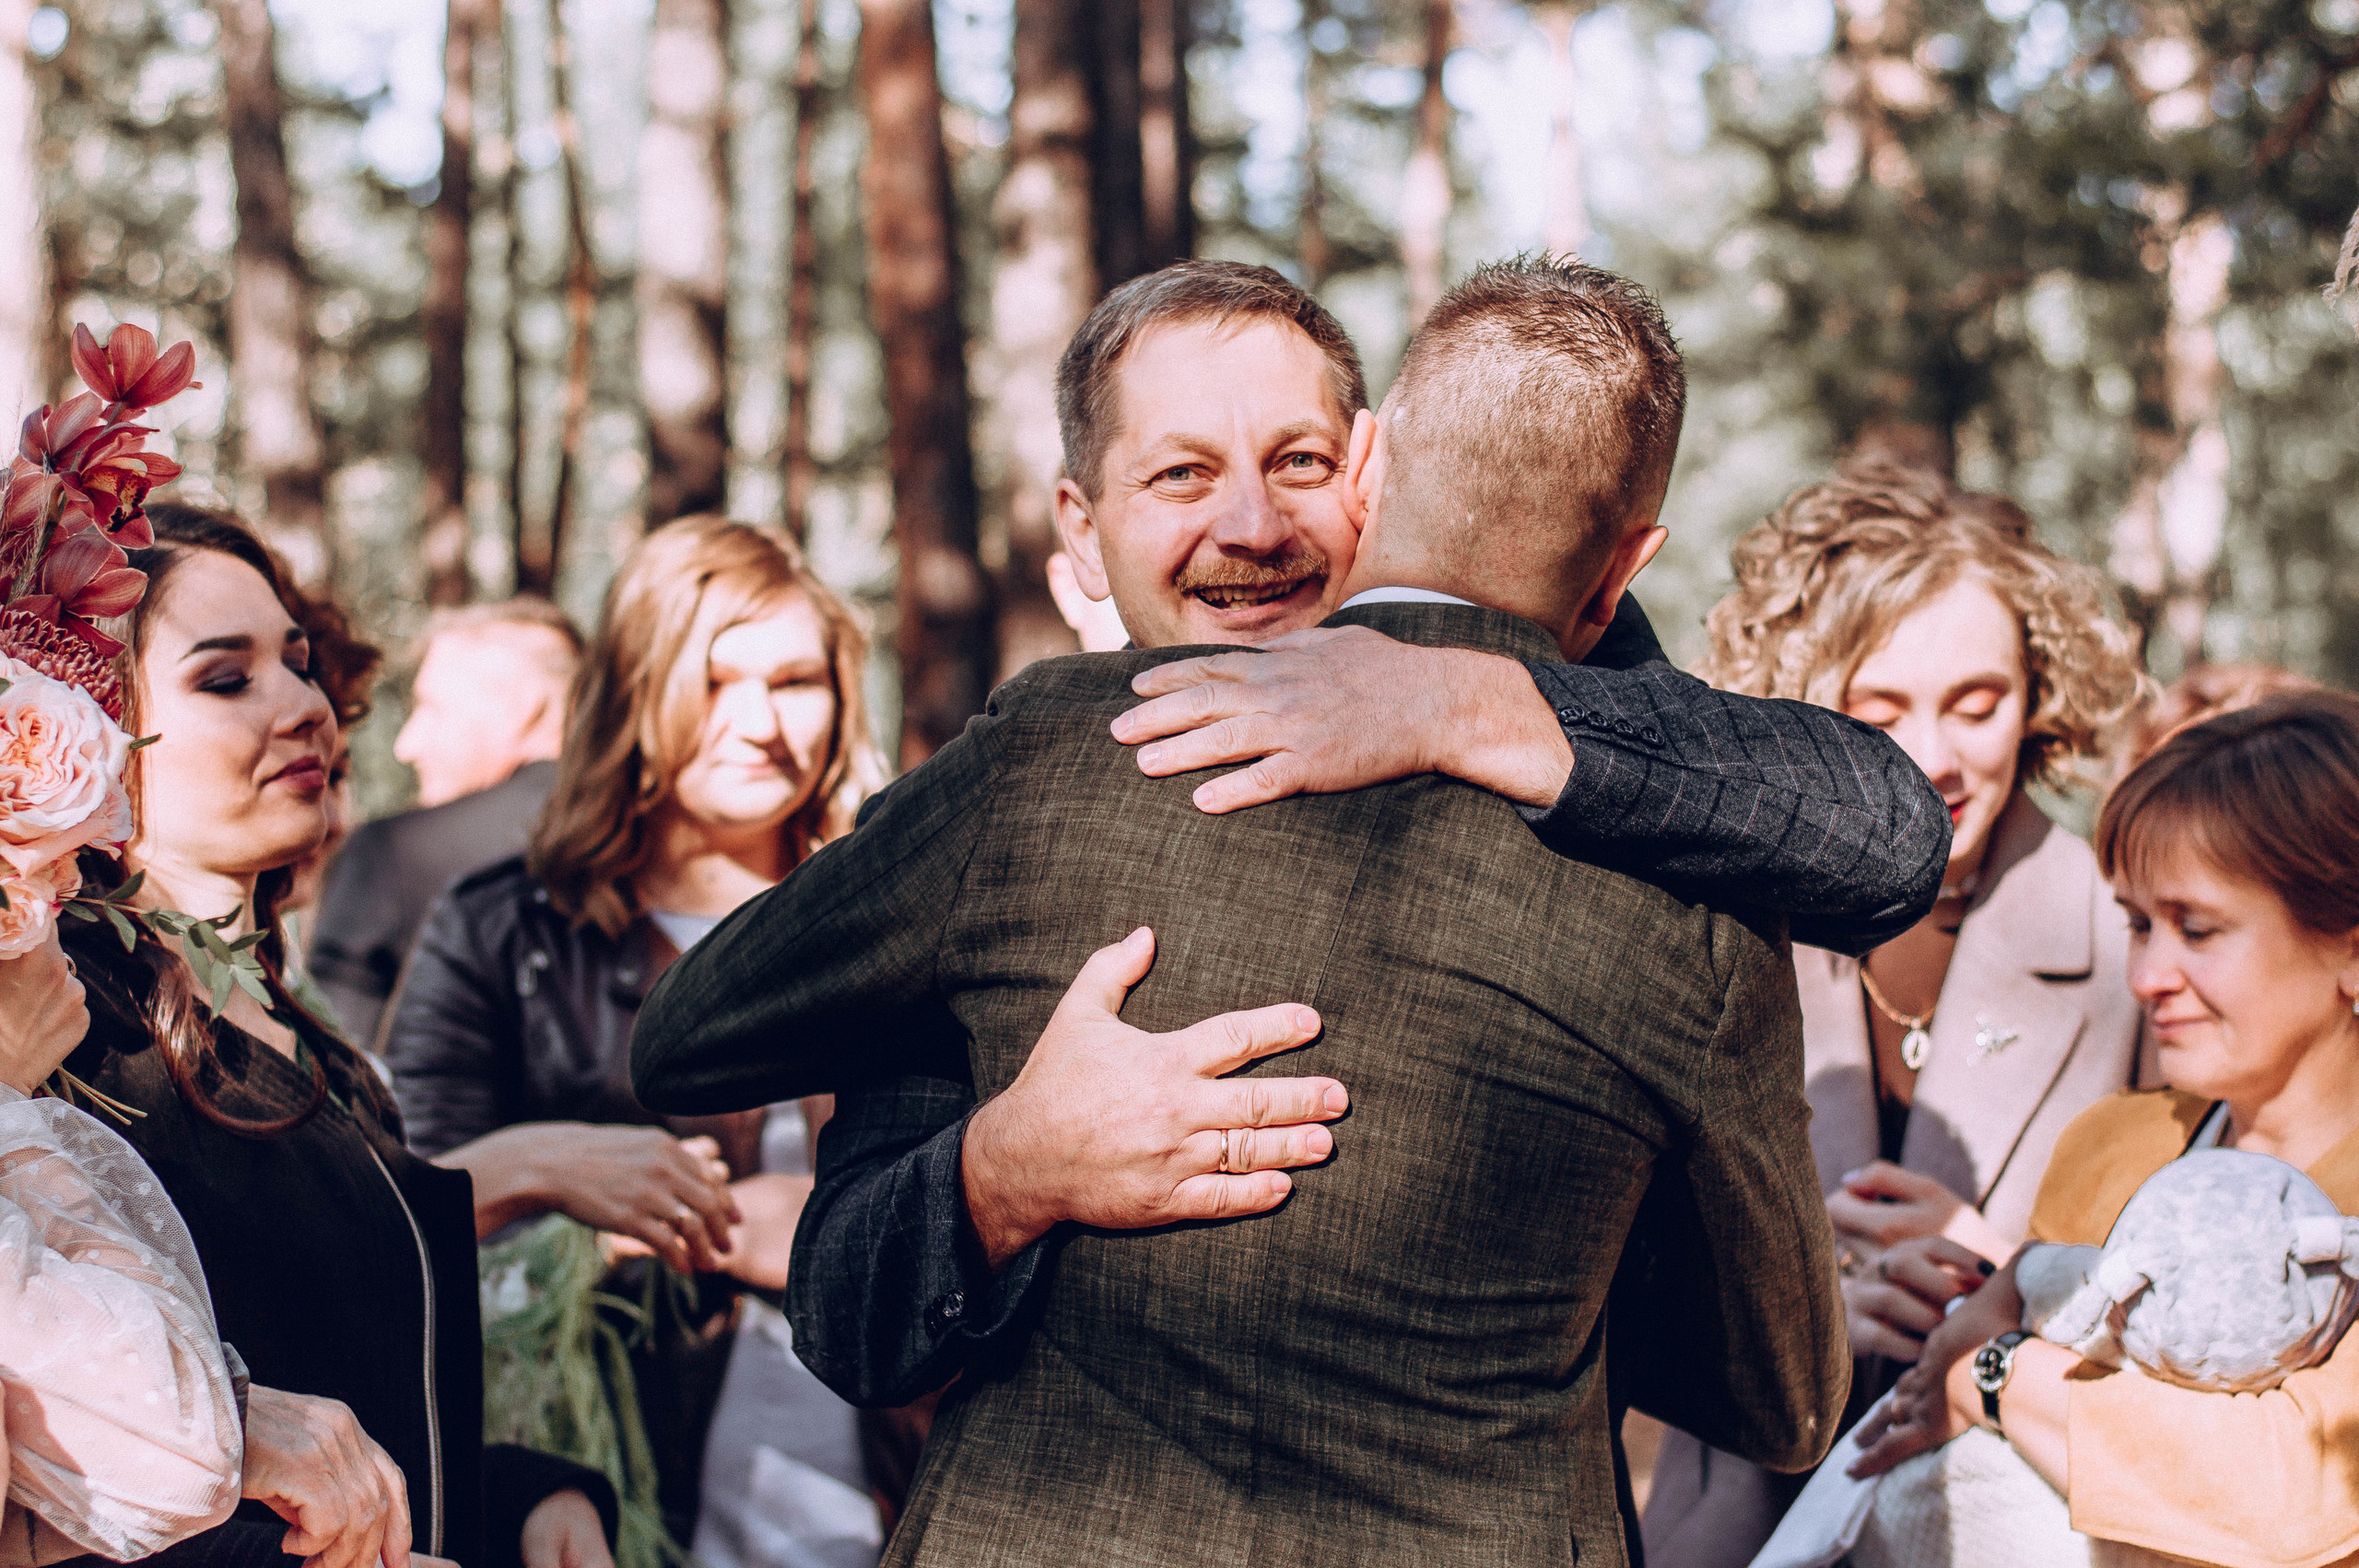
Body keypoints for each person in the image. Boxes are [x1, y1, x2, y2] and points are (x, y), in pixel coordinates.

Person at [634, 257, 1848, 1564]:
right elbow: (844, 1307)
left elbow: (1868, 816)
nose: (1255, 527)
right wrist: (1006, 1170)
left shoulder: (1645, 801)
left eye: (1300, 463)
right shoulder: (1022, 786)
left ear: (1372, 473)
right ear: (1081, 519)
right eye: (1181, 474)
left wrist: (1559, 1204)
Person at [57, 504, 616, 1568]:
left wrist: (525, 1496)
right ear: (91, 724)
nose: (303, 706)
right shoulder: (73, 1034)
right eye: (227, 679)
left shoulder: (297, 1024)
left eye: (298, 664)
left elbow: (356, 1375)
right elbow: (68, 1472)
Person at [1637, 460, 2153, 1568]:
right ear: (1807, 704)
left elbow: (2197, 1280)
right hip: (1730, 1523)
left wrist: (2004, 1276)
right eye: (1879, 710)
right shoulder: (1712, 919)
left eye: (1978, 704)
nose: (1934, 757)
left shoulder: (2133, 942)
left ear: (2038, 694)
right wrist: (1803, 1313)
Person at [380, 517, 890, 1562]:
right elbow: (397, 1229)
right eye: (711, 682)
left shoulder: (906, 909)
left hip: (905, 1488)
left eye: (796, 680)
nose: (759, 723)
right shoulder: (503, 929)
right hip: (619, 1492)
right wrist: (653, 1216)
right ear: (633, 693)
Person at [1848, 691, 2359, 1568]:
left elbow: (2298, 1488)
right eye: (2137, 924)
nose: (2149, 974)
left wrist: (1996, 1375)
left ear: (2349, 944)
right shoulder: (2111, 1148)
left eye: (2198, 929)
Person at [309, 600, 581, 1048]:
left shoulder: (392, 854)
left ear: (521, 709)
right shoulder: (668, 841)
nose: (407, 745)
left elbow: (332, 1065)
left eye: (431, 708)